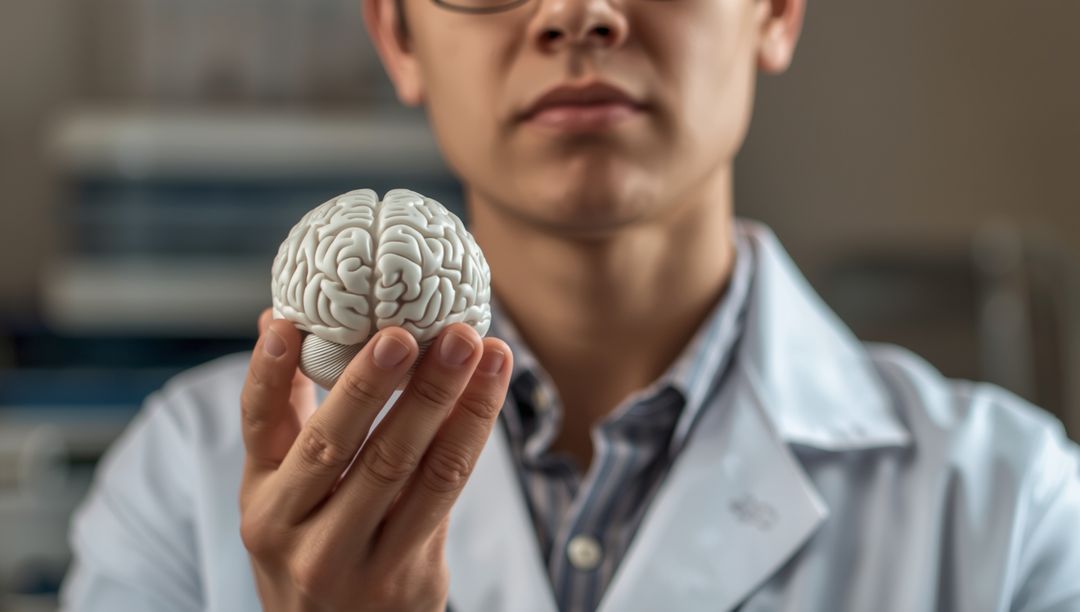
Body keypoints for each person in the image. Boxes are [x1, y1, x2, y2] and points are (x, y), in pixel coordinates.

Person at [61, 0, 1080, 609]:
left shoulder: (1018, 508)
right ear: (396, 32)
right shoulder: (175, 482)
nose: (575, 11)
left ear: (776, 9)